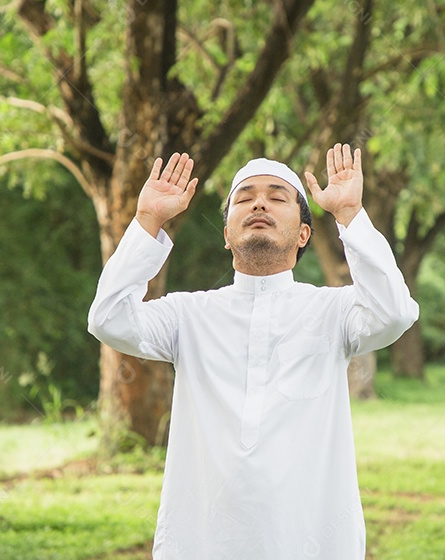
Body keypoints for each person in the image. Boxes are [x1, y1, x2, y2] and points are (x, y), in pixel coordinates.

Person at [88, 143, 419, 559]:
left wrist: (350, 215)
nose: (259, 203)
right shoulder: (187, 314)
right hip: (202, 543)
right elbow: (107, 319)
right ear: (227, 235)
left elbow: (394, 313)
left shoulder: (333, 310)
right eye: (244, 198)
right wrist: (148, 220)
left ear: (303, 234)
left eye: (277, 197)